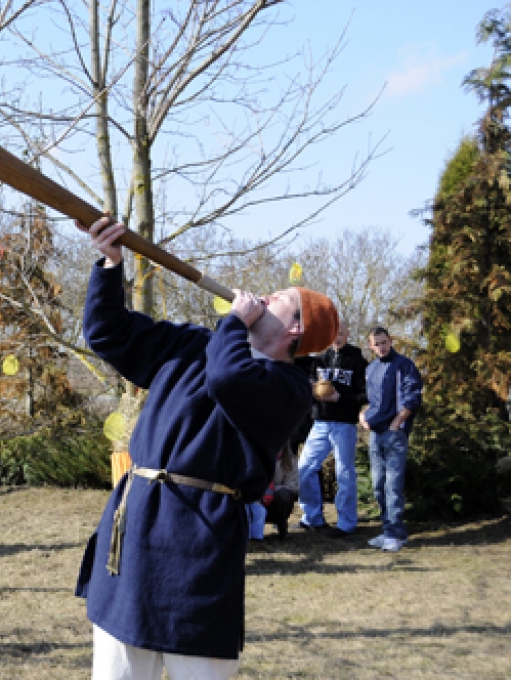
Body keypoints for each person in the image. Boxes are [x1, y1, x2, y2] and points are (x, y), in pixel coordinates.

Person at [76, 216, 339, 679]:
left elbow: (229, 378)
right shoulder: (195, 343)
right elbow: (108, 333)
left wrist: (233, 322)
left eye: (280, 298)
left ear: (296, 328)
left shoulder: (290, 388)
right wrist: (111, 265)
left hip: (200, 539)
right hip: (137, 526)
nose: (264, 296)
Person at [296, 321, 368, 538]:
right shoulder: (319, 360)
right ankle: (312, 518)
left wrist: (340, 398)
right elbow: (306, 383)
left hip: (344, 424)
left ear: (348, 333)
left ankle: (346, 523)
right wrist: (311, 389)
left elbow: (366, 395)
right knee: (305, 468)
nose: (337, 337)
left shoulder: (358, 362)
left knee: (344, 473)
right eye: (334, 333)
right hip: (320, 422)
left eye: (341, 333)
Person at [359, 327, 422, 553]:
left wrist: (398, 422)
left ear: (390, 340)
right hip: (375, 434)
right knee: (378, 485)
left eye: (384, 342)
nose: (381, 347)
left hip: (394, 434)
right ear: (370, 346)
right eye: (376, 344)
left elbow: (413, 397)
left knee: (392, 486)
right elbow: (372, 401)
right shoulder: (371, 368)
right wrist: (363, 415)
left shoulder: (404, 365)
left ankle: (395, 534)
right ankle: (388, 531)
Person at [264, 446, 299, 539]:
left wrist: (271, 490)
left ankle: (282, 525)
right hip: (257, 497)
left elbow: (293, 486)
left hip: (276, 498)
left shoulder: (291, 461)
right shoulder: (255, 457)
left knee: (284, 495)